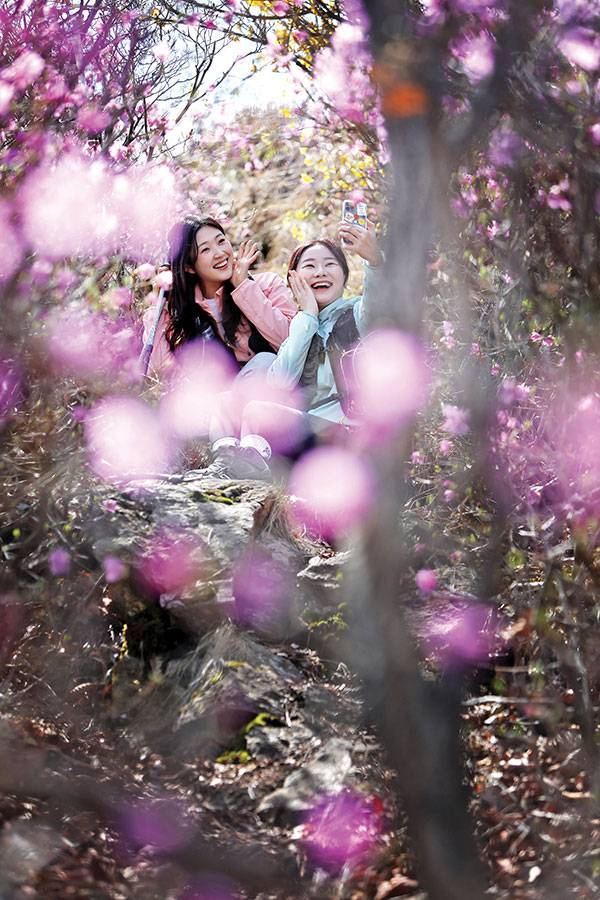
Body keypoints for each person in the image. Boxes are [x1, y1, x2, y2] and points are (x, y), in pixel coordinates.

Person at [142, 216, 297, 374]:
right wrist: (161, 302)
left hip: (276, 390)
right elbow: (161, 371)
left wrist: (244, 288)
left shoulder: (267, 285)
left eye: (221, 241)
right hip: (219, 396)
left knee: (265, 361)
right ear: (189, 267)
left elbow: (292, 346)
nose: (219, 253)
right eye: (205, 249)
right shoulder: (179, 313)